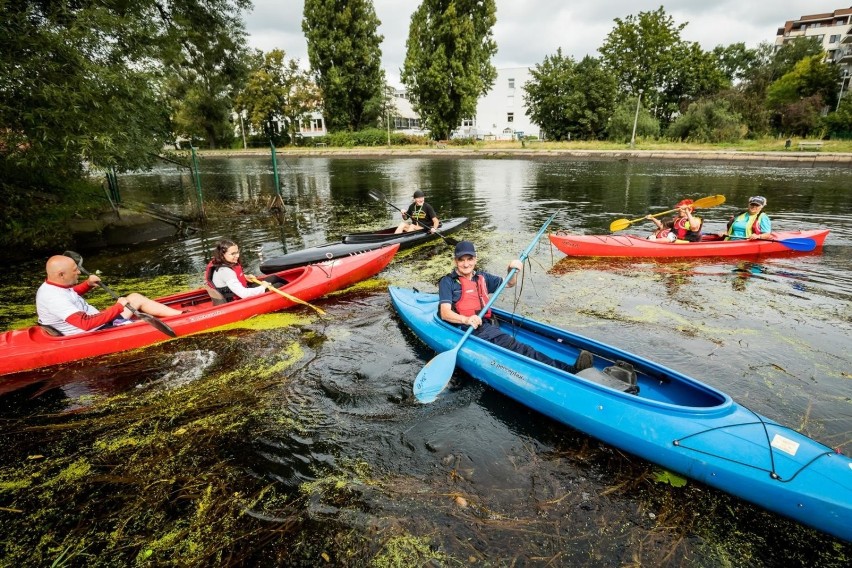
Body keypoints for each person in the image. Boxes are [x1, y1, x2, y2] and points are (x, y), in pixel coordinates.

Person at [437, 240, 593, 374]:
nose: (466, 264)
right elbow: (445, 313)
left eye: (469, 259)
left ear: (475, 259)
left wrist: (512, 270)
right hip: (469, 328)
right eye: (461, 260)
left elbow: (509, 283)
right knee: (519, 348)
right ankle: (568, 371)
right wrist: (466, 319)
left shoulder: (482, 277)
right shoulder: (448, 282)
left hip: (487, 323)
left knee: (526, 339)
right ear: (455, 261)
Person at [36, 254, 182, 336]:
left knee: (135, 297)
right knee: (144, 325)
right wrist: (118, 307)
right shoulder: (53, 298)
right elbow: (85, 324)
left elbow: (70, 296)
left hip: (101, 322)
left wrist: (87, 284)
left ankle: (180, 315)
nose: (79, 272)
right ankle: (185, 320)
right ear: (61, 274)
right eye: (75, 270)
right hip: (97, 330)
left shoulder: (54, 286)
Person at [205, 239, 285, 302]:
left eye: (237, 252)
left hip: (239, 291)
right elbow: (244, 294)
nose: (237, 256)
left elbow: (230, 279)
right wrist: (263, 287)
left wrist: (244, 276)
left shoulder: (224, 263)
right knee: (278, 286)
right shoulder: (225, 271)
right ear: (222, 255)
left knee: (274, 278)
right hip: (237, 300)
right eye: (233, 254)